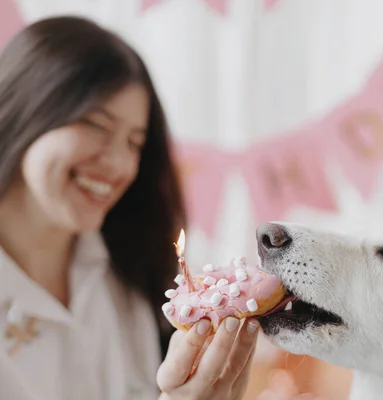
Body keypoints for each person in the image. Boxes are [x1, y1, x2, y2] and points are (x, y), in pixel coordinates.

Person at [0, 16, 262, 400]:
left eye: (134, 143)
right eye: (95, 125)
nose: (119, 165)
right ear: (25, 111)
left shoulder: (131, 271)